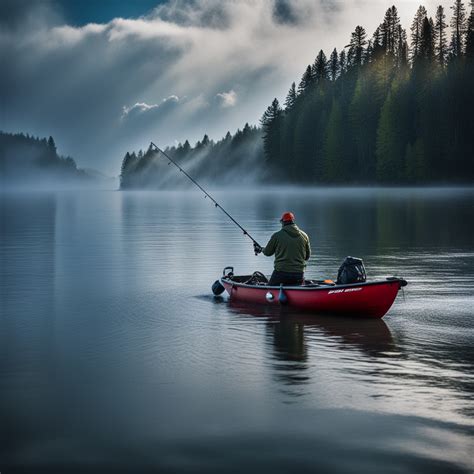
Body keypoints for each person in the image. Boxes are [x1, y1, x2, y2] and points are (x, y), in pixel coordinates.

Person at [254, 212, 311, 286]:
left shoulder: (277, 236)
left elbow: (268, 252)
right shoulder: (304, 236)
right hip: (299, 274)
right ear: (293, 221)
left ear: (283, 222)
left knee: (269, 288)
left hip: (281, 273)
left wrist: (261, 249)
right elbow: (307, 257)